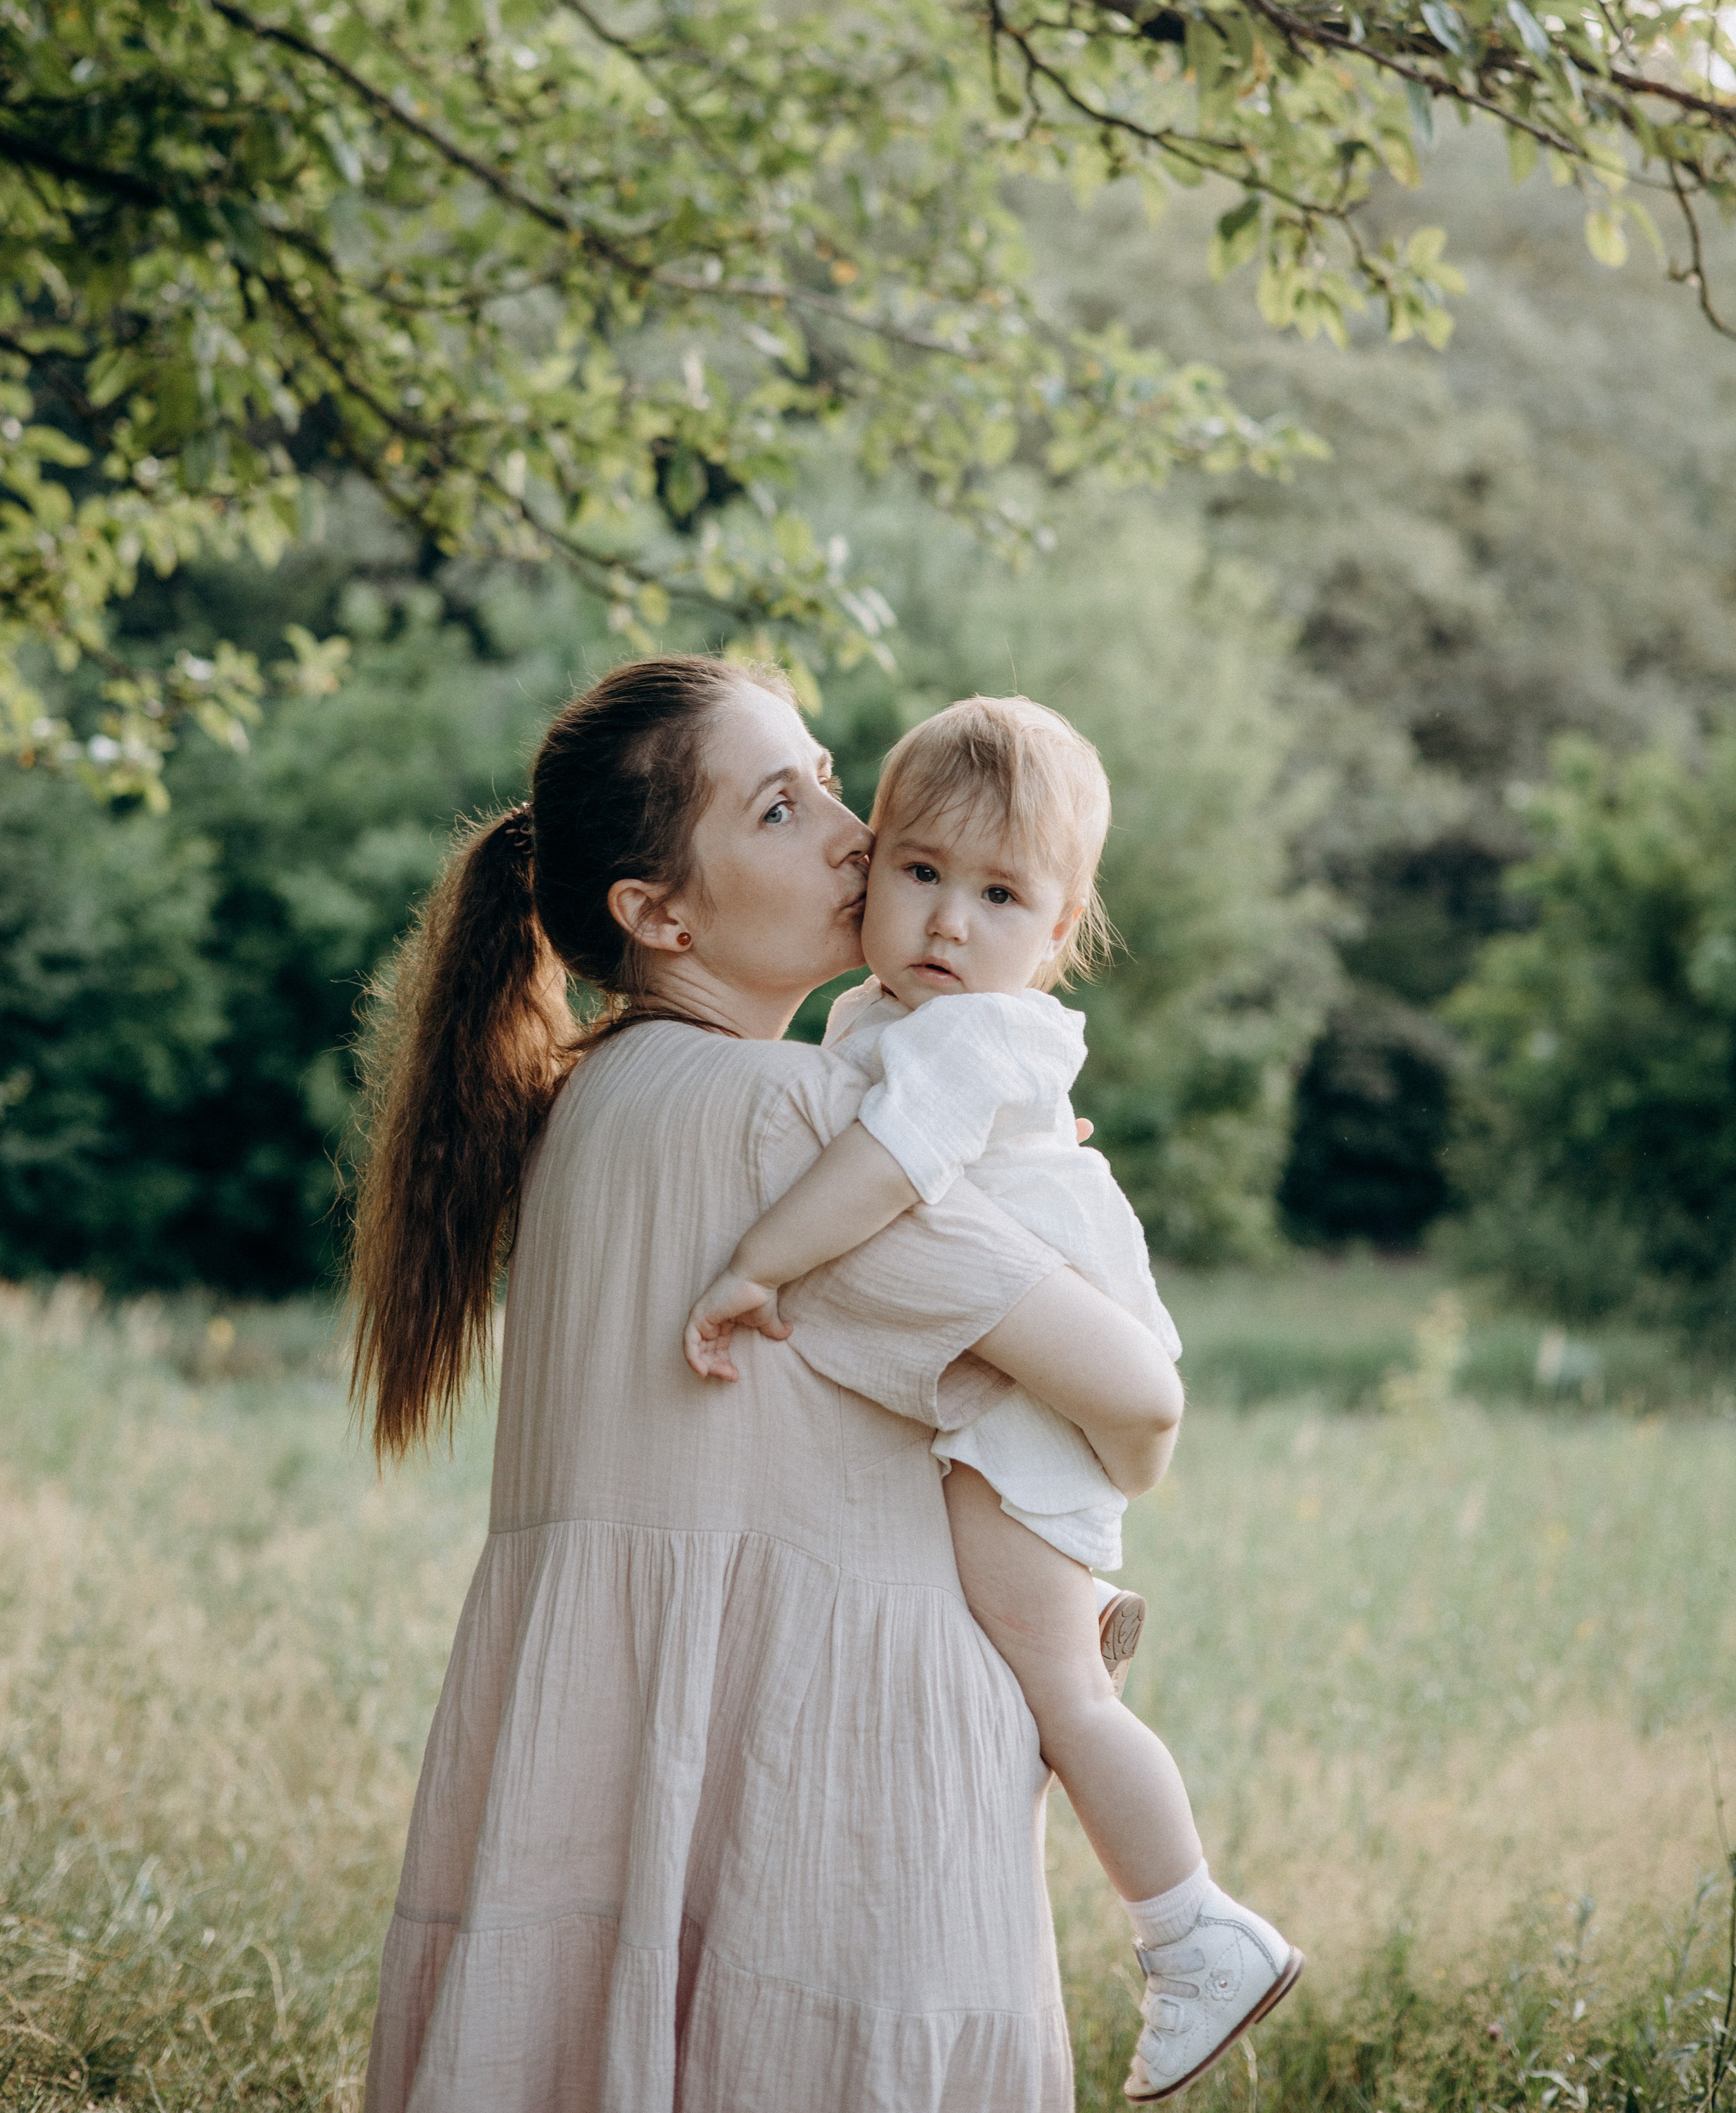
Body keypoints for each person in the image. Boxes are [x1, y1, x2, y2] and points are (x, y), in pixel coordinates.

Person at [349, 654, 1182, 2113]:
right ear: (656, 913)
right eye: (784, 809)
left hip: (619, 1767)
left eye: (833, 783)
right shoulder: (785, 1120)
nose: (857, 835)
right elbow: (1136, 1397)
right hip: (839, 1803)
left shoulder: (589, 1100)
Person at [683, 696, 1301, 2104]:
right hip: (1018, 1382)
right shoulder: (887, 1012)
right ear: (875, 863)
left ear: (1060, 925)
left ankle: (1192, 1931)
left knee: (1058, 1695)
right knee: (1034, 1671)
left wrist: (753, 1265)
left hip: (1037, 1399)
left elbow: (890, 1170)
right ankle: (1178, 1900)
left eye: (1000, 895)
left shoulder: (970, 1037)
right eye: (920, 874)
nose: (950, 922)